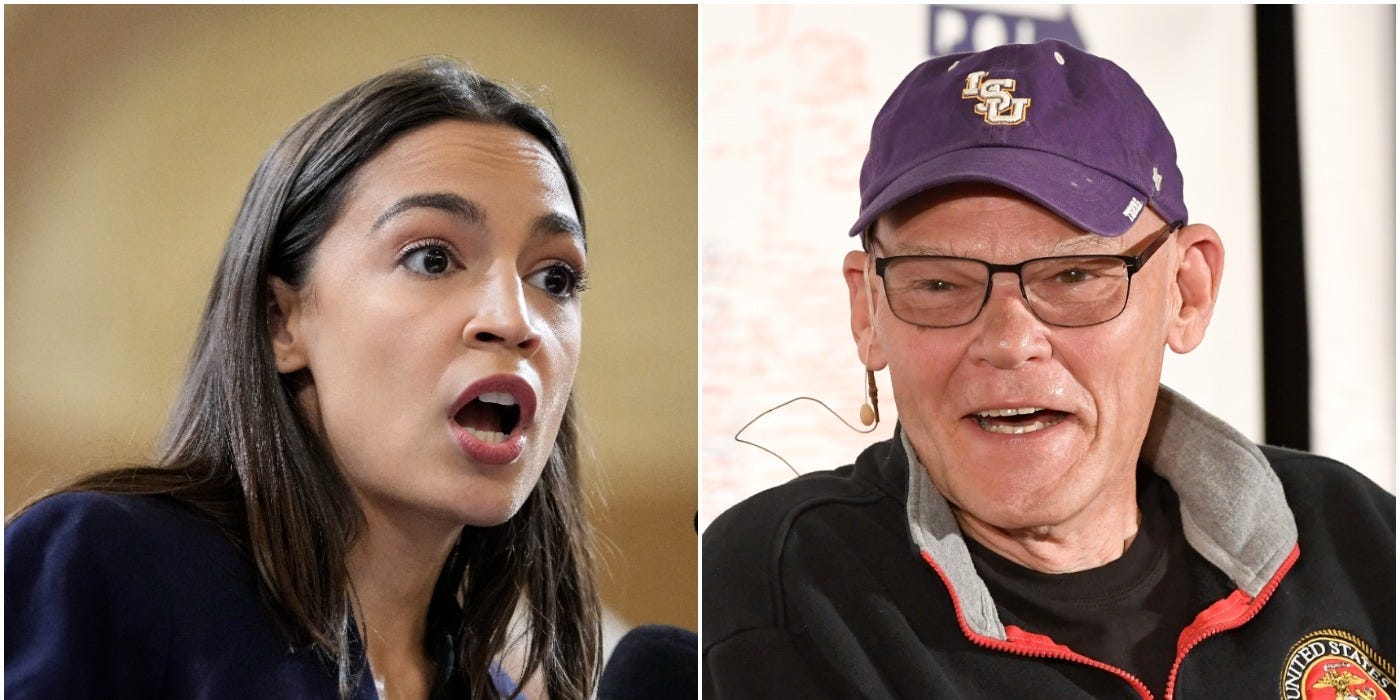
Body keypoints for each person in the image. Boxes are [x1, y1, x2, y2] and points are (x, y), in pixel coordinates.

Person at [703, 39, 1394, 699]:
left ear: (1187, 290)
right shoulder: (768, 596)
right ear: (867, 311)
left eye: (1074, 275)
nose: (1009, 341)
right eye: (938, 284)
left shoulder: (1360, 537)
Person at [6, 59, 601, 699]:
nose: (515, 321)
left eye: (554, 279)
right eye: (432, 258)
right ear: (282, 320)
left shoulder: (496, 688)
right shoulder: (110, 569)